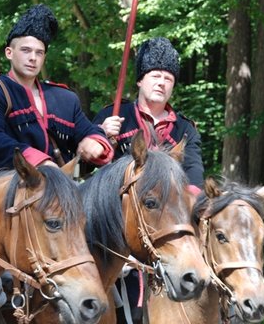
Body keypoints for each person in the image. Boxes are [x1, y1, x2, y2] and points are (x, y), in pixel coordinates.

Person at [93, 37, 204, 323]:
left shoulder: (185, 129)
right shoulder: (113, 116)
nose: (162, 83)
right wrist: (102, 135)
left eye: (168, 78)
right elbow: (92, 170)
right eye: (155, 76)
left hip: (167, 225)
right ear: (140, 81)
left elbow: (193, 181)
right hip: (118, 230)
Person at [0, 4, 113, 177]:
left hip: (58, 191)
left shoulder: (65, 98)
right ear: (9, 52)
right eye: (25, 50)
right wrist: (40, 162)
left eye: (39, 53)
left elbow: (88, 130)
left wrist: (94, 142)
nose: (33, 58)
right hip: (4, 186)